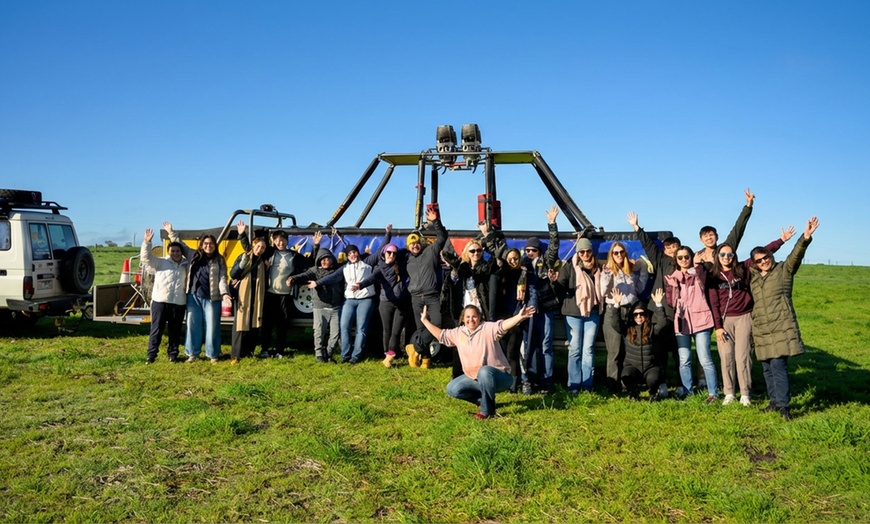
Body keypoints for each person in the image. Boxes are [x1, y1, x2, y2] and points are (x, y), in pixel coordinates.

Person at [707, 227, 793, 405]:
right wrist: (718, 327)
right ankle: (729, 393)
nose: (726, 258)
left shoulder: (742, 269)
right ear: (717, 256)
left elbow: (762, 254)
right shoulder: (713, 277)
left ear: (734, 256)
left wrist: (781, 240)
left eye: (730, 255)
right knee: (726, 356)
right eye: (722, 254)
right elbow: (714, 304)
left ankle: (745, 393)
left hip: (744, 317)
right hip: (724, 321)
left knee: (743, 356)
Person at [749, 216, 819, 421]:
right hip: (761, 329)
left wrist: (805, 238)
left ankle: (784, 406)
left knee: (778, 367)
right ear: (755, 264)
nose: (764, 262)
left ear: (771, 256)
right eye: (759, 260)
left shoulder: (783, 271)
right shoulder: (753, 279)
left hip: (780, 326)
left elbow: (795, 257)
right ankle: (773, 402)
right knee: (767, 368)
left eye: (766, 257)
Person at [419, 303, 536, 419]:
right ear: (463, 319)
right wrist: (425, 321)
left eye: (474, 316)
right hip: (475, 379)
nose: (471, 320)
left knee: (484, 371)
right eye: (468, 317)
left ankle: (487, 412)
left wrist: (519, 317)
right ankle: (484, 401)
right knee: (452, 388)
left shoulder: (487, 328)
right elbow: (441, 335)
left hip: (500, 378)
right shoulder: (458, 333)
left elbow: (503, 325)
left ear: (479, 317)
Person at [627, 211, 681, 398]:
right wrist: (636, 227)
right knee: (660, 351)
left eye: (674, 246)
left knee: (678, 350)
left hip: (678, 313)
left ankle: (682, 383)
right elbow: (648, 245)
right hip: (658, 310)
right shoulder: (659, 260)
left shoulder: (684, 262)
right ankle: (662, 383)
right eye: (668, 247)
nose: (671, 249)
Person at [238, 222, 311, 359]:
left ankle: (280, 351)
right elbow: (252, 250)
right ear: (273, 241)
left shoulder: (293, 256)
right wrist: (242, 234)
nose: (280, 242)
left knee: (282, 324)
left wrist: (294, 277)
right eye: (277, 240)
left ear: (287, 241)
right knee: (266, 324)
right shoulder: (269, 252)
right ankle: (264, 349)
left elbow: (309, 266)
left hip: (285, 295)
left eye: (282, 240)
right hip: (269, 294)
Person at [317, 228, 389, 364]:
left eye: (354, 252)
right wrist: (317, 282)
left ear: (358, 253)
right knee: (344, 326)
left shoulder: (367, 262)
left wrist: (388, 234)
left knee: (361, 328)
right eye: (349, 253)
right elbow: (331, 277)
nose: (352, 255)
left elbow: (381, 250)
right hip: (349, 300)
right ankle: (345, 355)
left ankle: (356, 356)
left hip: (365, 300)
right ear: (347, 256)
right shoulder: (344, 268)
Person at [169, 226, 230, 364]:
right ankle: (193, 353)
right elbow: (180, 244)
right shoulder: (193, 255)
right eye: (206, 244)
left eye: (211, 244)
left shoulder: (219, 260)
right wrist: (171, 232)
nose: (208, 246)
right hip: (193, 296)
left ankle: (213, 354)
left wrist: (225, 293)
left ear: (215, 245)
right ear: (202, 245)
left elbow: (222, 278)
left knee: (212, 326)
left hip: (212, 297)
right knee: (193, 325)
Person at [665, 246, 717, 402]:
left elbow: (701, 277)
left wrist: (696, 265)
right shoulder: (673, 277)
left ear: (691, 257)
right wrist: (673, 285)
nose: (683, 260)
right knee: (684, 359)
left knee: (705, 358)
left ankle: (713, 393)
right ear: (676, 260)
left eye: (686, 257)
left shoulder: (699, 273)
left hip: (702, 320)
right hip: (682, 322)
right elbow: (671, 302)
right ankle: (687, 392)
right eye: (680, 258)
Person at [518, 206, 561, 394]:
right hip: (527, 311)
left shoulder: (547, 261)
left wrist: (552, 224)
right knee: (527, 346)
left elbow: (554, 246)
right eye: (527, 249)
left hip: (546, 309)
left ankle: (546, 382)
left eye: (533, 250)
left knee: (546, 346)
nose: (529, 252)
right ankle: (527, 380)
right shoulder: (521, 265)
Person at [600, 241, 648, 394]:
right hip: (614, 310)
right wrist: (607, 274)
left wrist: (642, 266)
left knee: (628, 350)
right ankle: (613, 386)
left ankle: (627, 384)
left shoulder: (631, 271)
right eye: (615, 253)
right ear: (611, 255)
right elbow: (603, 292)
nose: (619, 255)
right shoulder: (607, 270)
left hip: (630, 311)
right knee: (614, 351)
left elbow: (640, 287)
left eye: (621, 252)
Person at [354, 242, 414, 368]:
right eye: (389, 252)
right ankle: (387, 353)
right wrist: (360, 285)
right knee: (386, 330)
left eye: (394, 253)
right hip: (385, 302)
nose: (391, 255)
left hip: (401, 303)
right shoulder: (379, 267)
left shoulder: (401, 265)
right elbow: (372, 278)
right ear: (383, 253)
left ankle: (390, 354)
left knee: (396, 331)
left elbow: (409, 253)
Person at [555, 237, 603, 393]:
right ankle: (574, 385)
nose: (585, 254)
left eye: (588, 251)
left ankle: (587, 384)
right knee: (575, 349)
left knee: (588, 349)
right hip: (573, 313)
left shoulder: (598, 269)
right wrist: (569, 297)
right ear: (578, 252)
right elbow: (559, 287)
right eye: (581, 251)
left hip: (593, 313)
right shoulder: (570, 266)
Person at [404, 207, 449, 369]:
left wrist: (436, 221)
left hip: (431, 296)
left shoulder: (430, 252)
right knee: (421, 327)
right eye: (412, 244)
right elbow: (386, 257)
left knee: (437, 323)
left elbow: (443, 237)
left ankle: (414, 348)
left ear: (421, 244)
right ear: (408, 246)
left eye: (417, 243)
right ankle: (425, 359)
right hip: (416, 297)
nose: (415, 246)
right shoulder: (406, 259)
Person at [491, 247, 538, 393]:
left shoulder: (525, 274)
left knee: (513, 350)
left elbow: (533, 292)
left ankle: (513, 384)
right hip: (502, 316)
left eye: (515, 259)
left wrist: (532, 306)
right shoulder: (501, 274)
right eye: (510, 259)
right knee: (503, 350)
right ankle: (503, 382)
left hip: (517, 316)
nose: (513, 262)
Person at [140, 224, 189, 364]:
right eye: (173, 251)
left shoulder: (186, 265)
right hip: (160, 302)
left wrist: (171, 233)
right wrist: (147, 242)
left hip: (178, 303)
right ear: (169, 252)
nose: (176, 253)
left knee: (175, 331)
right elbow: (146, 258)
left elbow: (182, 245)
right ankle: (151, 355)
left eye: (178, 251)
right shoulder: (161, 263)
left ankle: (173, 355)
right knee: (156, 330)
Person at [288, 243, 344, 363]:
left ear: (332, 259)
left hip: (335, 307)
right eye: (322, 259)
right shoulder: (315, 270)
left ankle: (328, 352)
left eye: (327, 258)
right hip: (320, 306)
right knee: (318, 331)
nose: (325, 261)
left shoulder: (339, 270)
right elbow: (304, 275)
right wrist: (292, 278)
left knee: (336, 333)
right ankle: (319, 354)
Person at [610, 288, 667, 400]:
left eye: (641, 314)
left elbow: (663, 323)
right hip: (632, 365)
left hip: (650, 367)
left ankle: (653, 392)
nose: (639, 317)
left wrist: (659, 305)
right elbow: (615, 323)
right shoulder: (628, 329)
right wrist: (616, 304)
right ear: (632, 316)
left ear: (646, 315)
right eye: (635, 315)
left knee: (653, 379)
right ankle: (634, 392)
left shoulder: (652, 329)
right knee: (626, 376)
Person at [228, 235, 268, 365]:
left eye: (263, 247)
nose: (260, 249)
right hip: (243, 294)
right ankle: (236, 354)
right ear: (253, 246)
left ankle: (248, 352)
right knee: (240, 323)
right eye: (258, 246)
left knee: (253, 323)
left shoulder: (262, 261)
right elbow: (234, 274)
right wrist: (241, 235)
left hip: (256, 295)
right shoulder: (244, 256)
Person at [698, 188, 755, 266]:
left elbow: (738, 228)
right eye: (705, 236)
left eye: (711, 235)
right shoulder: (697, 256)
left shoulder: (726, 248)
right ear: (701, 240)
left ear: (717, 237)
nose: (709, 238)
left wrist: (748, 206)